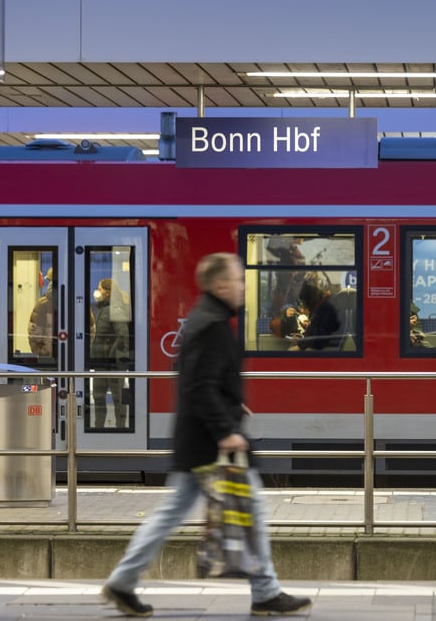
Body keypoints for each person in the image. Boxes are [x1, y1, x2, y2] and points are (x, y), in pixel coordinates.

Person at [101, 252, 311, 618]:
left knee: (170, 514)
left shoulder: (205, 319)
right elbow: (200, 386)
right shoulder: (211, 325)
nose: (245, 286)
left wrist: (233, 405)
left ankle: (122, 581)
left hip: (199, 441)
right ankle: (265, 592)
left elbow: (205, 381)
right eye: (239, 280)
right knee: (253, 511)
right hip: (213, 444)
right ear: (221, 285)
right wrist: (226, 430)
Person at [90, 278, 131, 429]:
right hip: (100, 363)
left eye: (99, 289)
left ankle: (120, 429)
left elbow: (122, 335)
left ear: (107, 293)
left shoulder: (115, 310)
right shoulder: (101, 308)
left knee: (118, 399)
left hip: (112, 365)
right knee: (99, 398)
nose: (97, 292)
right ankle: (98, 428)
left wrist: (112, 357)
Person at [293, 281, 341, 351]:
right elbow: (314, 330)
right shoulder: (321, 307)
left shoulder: (324, 309)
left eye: (305, 304)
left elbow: (319, 340)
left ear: (310, 301)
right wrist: (304, 336)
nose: (305, 308)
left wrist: (301, 343)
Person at [27, 268, 57, 357]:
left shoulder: (42, 304)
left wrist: (43, 355)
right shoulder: (79, 305)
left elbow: (35, 337)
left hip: (48, 360)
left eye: (49, 281)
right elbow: (90, 332)